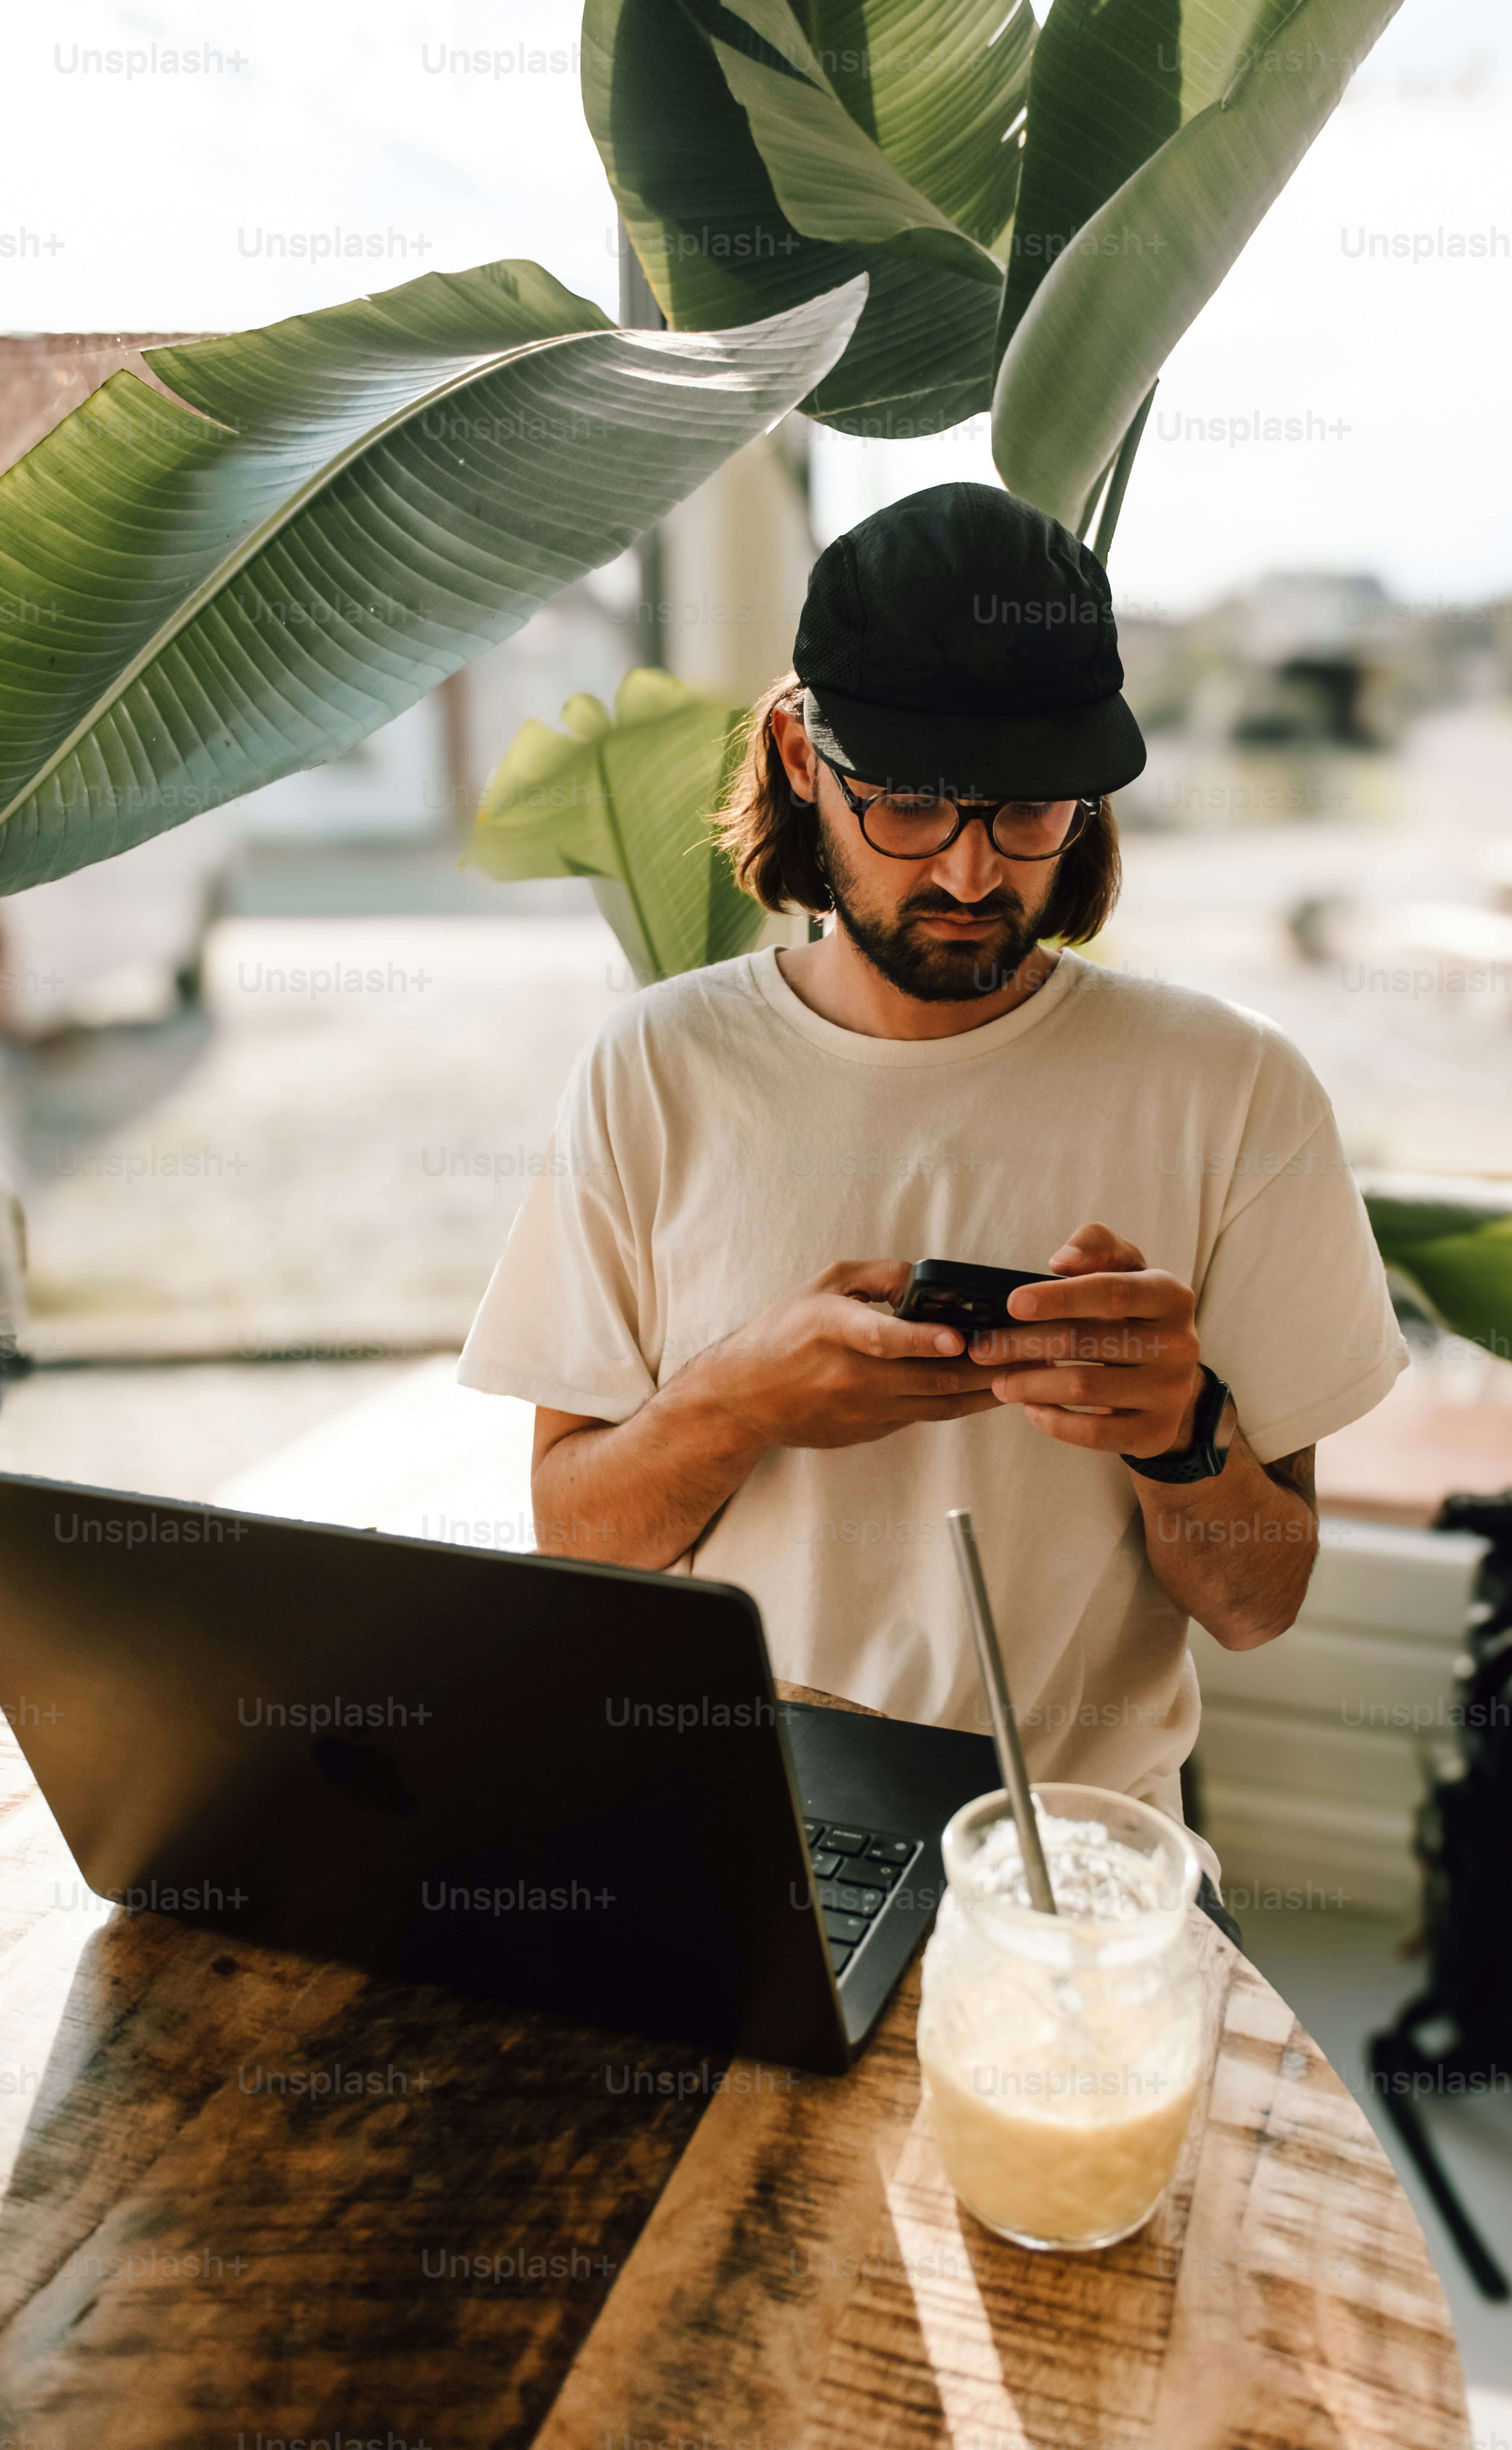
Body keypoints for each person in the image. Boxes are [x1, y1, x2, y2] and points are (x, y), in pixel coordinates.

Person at [458, 482, 1405, 1896]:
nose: (971, 868)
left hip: (1074, 1873)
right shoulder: (656, 1067)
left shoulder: (1233, 1090)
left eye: (1027, 809)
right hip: (738, 1840)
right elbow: (582, 1536)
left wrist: (1182, 1432)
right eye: (907, 803)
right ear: (798, 753)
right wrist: (738, 1400)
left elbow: (1259, 1602)